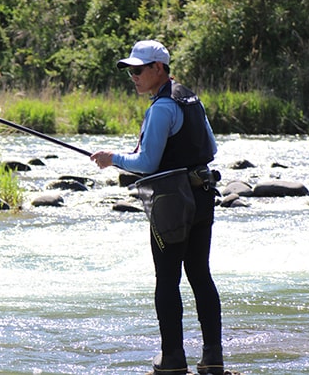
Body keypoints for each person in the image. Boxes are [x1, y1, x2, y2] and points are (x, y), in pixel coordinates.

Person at [90, 40, 224, 375]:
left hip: (172, 202)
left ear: (158, 69)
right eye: (130, 71)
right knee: (200, 275)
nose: (133, 77)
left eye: (138, 70)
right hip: (203, 193)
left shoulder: (162, 107)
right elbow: (212, 146)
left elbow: (147, 163)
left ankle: (173, 360)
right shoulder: (189, 98)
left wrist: (112, 159)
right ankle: (212, 358)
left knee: (167, 278)